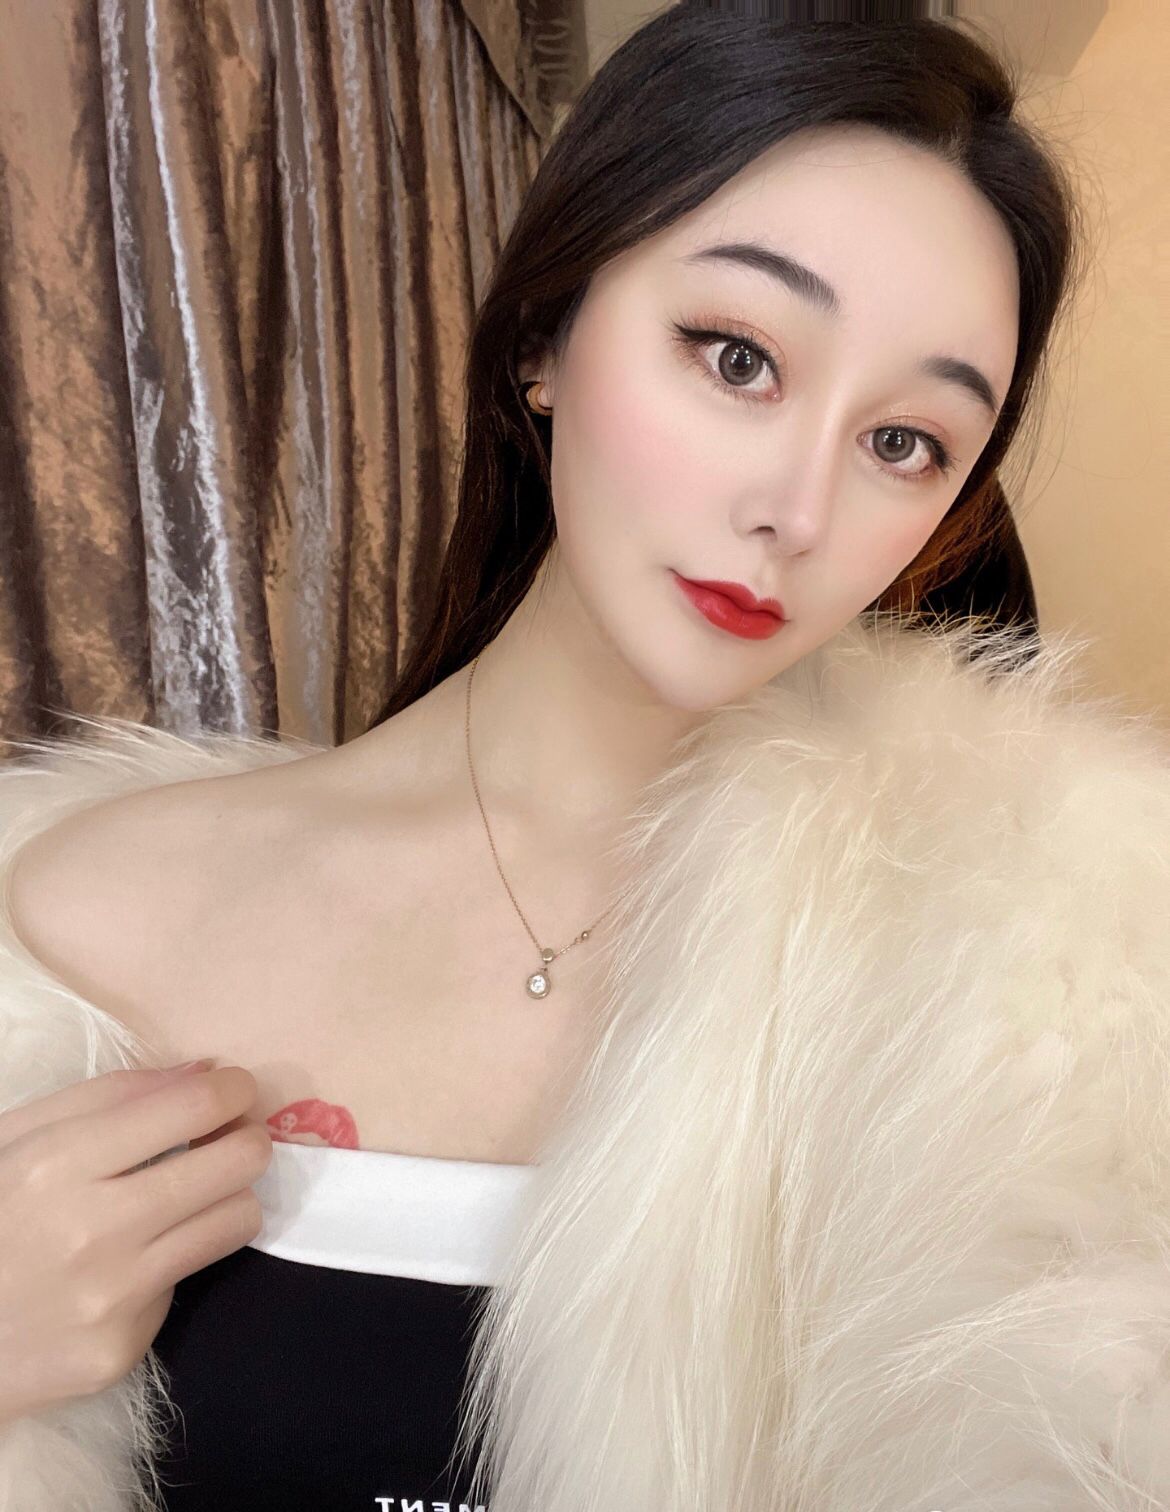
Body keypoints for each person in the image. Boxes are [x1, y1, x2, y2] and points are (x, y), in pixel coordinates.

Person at [1, 10, 1168, 1512]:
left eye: (905, 443)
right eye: (737, 356)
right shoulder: (87, 920)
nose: (798, 509)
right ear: (545, 336)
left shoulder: (1041, 1007)